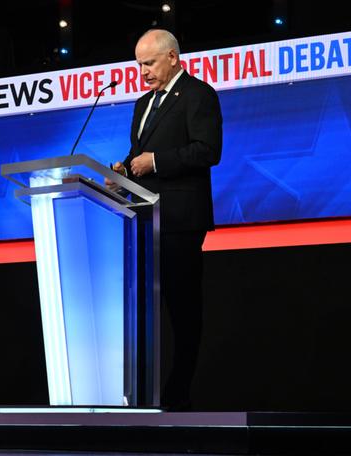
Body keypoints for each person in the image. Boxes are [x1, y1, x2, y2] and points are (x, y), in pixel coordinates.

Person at [112, 29, 222, 411]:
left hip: (180, 221)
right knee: (143, 313)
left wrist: (155, 161)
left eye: (149, 63)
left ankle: (179, 394)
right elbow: (138, 155)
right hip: (145, 221)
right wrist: (123, 169)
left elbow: (207, 151)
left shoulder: (198, 95)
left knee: (183, 310)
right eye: (138, 64)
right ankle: (142, 393)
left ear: (173, 57)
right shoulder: (142, 104)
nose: (142, 71)